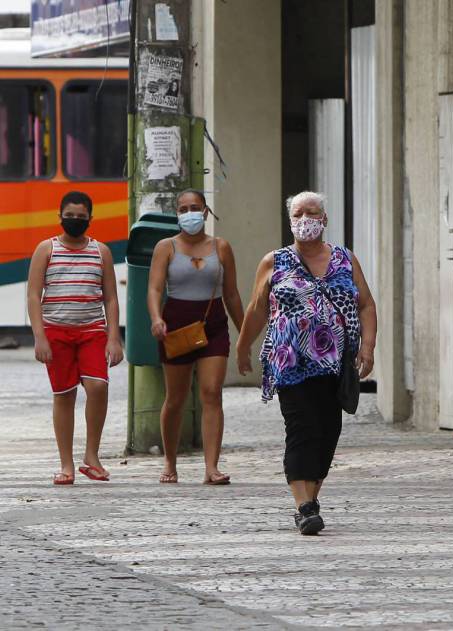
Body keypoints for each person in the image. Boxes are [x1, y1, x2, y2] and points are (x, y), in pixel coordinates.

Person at [235, 191, 377, 535]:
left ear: (324, 220)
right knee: (301, 429)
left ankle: (308, 503)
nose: (305, 220)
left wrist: (368, 347)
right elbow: (256, 307)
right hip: (290, 360)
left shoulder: (345, 259)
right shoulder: (275, 261)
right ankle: (304, 505)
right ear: (290, 222)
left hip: (336, 363)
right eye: (298, 214)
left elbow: (367, 304)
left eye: (312, 213)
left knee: (328, 431)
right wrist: (242, 347)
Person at [147, 189, 244, 485]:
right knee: (175, 398)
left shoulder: (221, 247)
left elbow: (231, 293)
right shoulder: (166, 247)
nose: (190, 213)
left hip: (212, 324)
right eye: (183, 208)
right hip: (175, 327)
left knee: (212, 392)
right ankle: (170, 461)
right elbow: (154, 288)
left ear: (205, 212)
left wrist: (245, 335)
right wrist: (156, 318)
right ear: (177, 213)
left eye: (195, 207)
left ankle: (211, 467)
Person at [26, 191, 124, 485]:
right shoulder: (46, 249)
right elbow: (33, 294)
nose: (75, 221)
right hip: (55, 331)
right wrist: (39, 336)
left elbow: (111, 298)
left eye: (81, 218)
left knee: (97, 387)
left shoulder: (101, 251)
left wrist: (113, 337)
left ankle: (91, 456)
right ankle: (66, 465)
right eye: (69, 217)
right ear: (60, 217)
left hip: (93, 330)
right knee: (64, 395)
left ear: (90, 219)